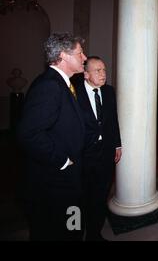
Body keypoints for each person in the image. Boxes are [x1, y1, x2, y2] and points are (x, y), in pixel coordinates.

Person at [17, 33, 87, 241]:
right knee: (56, 232)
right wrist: (63, 161)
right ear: (64, 56)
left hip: (64, 179)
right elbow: (28, 133)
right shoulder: (49, 86)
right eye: (80, 53)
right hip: (53, 182)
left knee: (69, 229)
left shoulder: (63, 83)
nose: (84, 57)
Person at [75, 56, 121, 241]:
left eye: (104, 70)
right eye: (98, 70)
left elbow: (113, 121)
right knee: (82, 196)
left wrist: (117, 144)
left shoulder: (109, 91)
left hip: (106, 153)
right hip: (84, 154)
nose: (103, 74)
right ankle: (77, 231)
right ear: (86, 74)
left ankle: (94, 234)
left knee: (101, 196)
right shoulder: (74, 93)